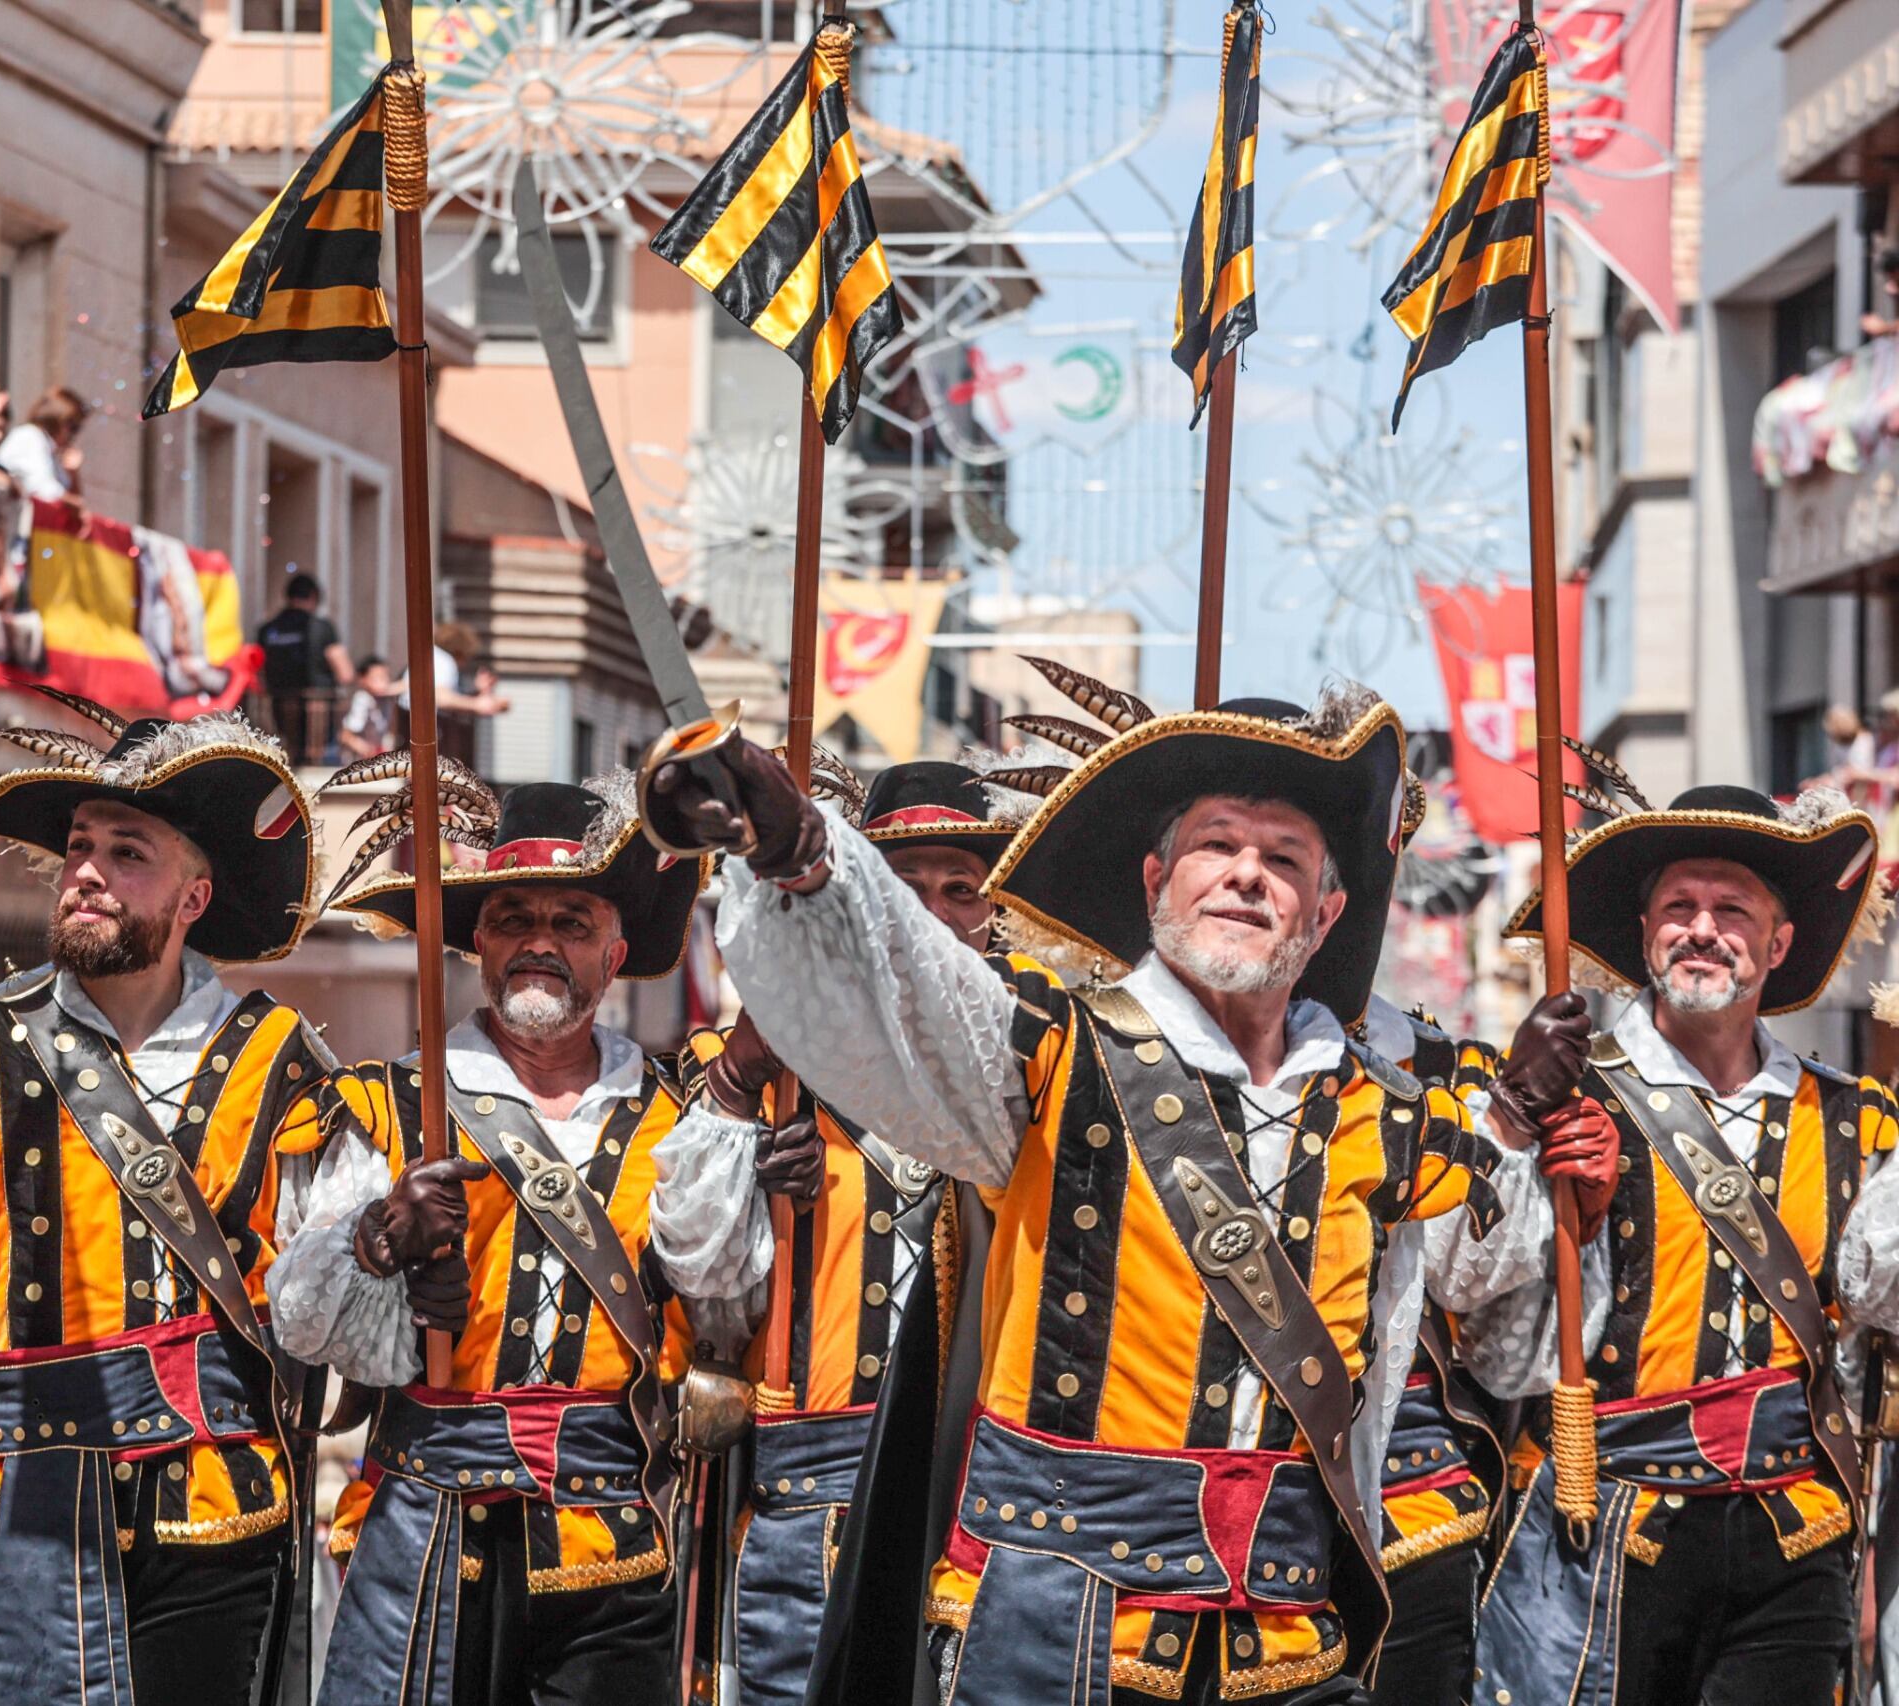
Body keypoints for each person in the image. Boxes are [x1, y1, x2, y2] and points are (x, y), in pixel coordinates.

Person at [641, 676, 1594, 1706]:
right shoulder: (1050, 1043)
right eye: (1217, 846)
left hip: (1286, 1634)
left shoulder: (1385, 1105)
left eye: (1282, 861)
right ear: (1153, 881)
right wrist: (799, 848)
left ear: (1324, 914)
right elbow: (915, 981)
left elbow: (1485, 1276)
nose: (1245, 877)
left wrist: (1515, 1109)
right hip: (1056, 1625)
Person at [0, 693, 345, 1706]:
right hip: (7, 1488)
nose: (88, 872)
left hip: (209, 1500)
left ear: (193, 897)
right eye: (79, 846)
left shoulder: (283, 1061)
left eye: (128, 851)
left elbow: (318, 1311)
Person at [270, 773, 716, 1706]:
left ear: (617, 952)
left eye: (573, 922)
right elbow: (300, 1321)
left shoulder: (685, 1122)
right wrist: (377, 1240)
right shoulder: (386, 1103)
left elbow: (730, 1308)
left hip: (616, 1549)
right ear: (479, 942)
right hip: (425, 1533)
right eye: (514, 918)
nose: (540, 943)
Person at [1472, 777, 1898, 1706]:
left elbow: (1883, 1299)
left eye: (1733, 910)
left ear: (1778, 945)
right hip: (1608, 1529)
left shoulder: (1855, 1121)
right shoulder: (1565, 1096)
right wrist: (1511, 1128)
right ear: (1646, 934)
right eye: (1680, 907)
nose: (1703, 928)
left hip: (1798, 1533)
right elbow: (1484, 1330)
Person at [652, 759, 1047, 1706]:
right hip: (810, 1484)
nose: (937, 914)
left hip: (976, 1477)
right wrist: (742, 1115)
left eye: (963, 891)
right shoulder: (762, 1061)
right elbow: (701, 1281)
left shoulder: (1037, 1055)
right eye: (907, 888)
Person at [1351, 987, 1505, 1706]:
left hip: (1414, 1499)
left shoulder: (1449, 1066)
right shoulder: (1116, 1044)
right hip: (1196, 1510)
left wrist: (1511, 1121)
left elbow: (1473, 1276)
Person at [257, 573, 357, 760]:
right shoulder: (322, 627)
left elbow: (257, 672)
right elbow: (345, 674)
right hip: (319, 720)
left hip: (280, 715)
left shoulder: (268, 630)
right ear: (314, 597)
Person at [0, 386, 88, 503]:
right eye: (74, 428)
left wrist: (73, 474)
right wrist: (73, 503)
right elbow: (42, 488)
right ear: (58, 420)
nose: (73, 436)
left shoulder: (50, 450)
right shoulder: (30, 436)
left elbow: (73, 505)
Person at [337, 655, 397, 761]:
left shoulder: (387, 700)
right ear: (362, 679)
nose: (384, 681)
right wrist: (364, 748)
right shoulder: (362, 699)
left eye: (385, 677)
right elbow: (346, 736)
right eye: (377, 678)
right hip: (358, 760)